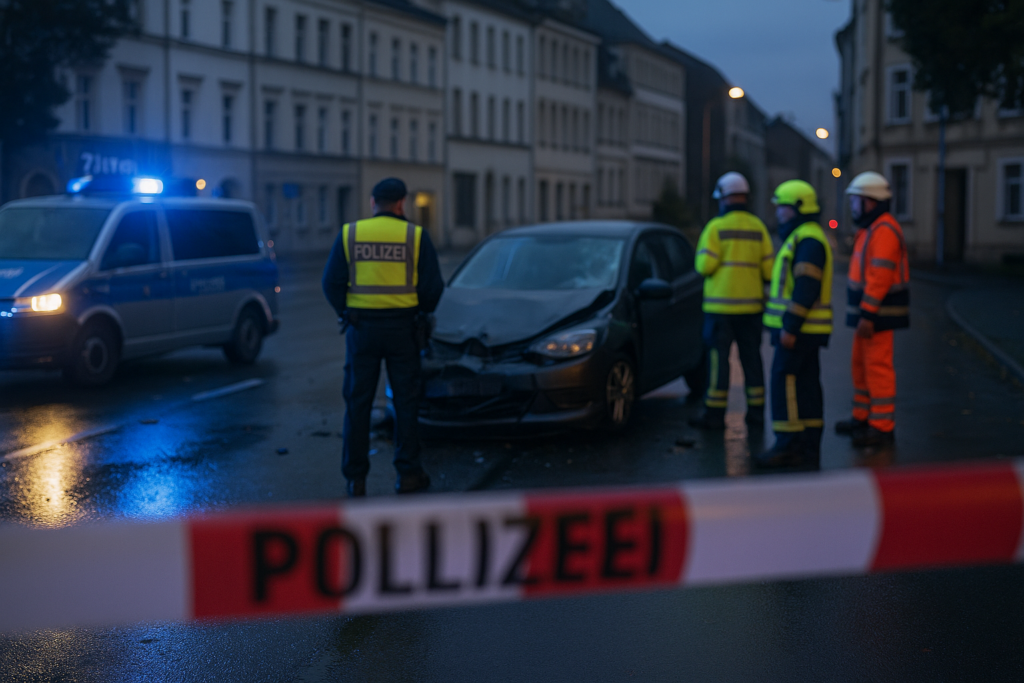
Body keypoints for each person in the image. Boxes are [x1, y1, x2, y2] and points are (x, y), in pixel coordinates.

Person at [323, 178, 445, 497]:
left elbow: (330, 283)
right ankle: (408, 475)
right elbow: (433, 288)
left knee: (357, 403)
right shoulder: (415, 236)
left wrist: (345, 311)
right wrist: (420, 311)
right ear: (402, 203)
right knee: (405, 402)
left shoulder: (351, 234)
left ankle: (356, 479)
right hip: (403, 330)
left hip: (361, 330)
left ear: (372, 202)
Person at [753, 180, 833, 470]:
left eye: (783, 207)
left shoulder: (807, 240)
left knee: (784, 380)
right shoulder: (806, 236)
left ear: (798, 208)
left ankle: (788, 445)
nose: (779, 213)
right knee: (807, 383)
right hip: (807, 330)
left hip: (798, 330)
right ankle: (809, 442)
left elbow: (805, 287)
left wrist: (790, 326)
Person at [689, 172, 774, 430]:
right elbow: (770, 271)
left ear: (724, 198)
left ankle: (714, 416)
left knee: (718, 362)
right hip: (751, 308)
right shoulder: (758, 227)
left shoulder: (715, 228)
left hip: (720, 308)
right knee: (752, 360)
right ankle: (757, 414)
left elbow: (704, 265)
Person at [834, 171, 910, 448]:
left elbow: (879, 277)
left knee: (877, 367)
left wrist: (867, 313)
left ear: (872, 202)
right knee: (861, 364)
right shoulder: (871, 229)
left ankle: (881, 427)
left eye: (857, 202)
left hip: (878, 315)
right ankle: (862, 417)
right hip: (870, 315)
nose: (854, 207)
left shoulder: (884, 231)